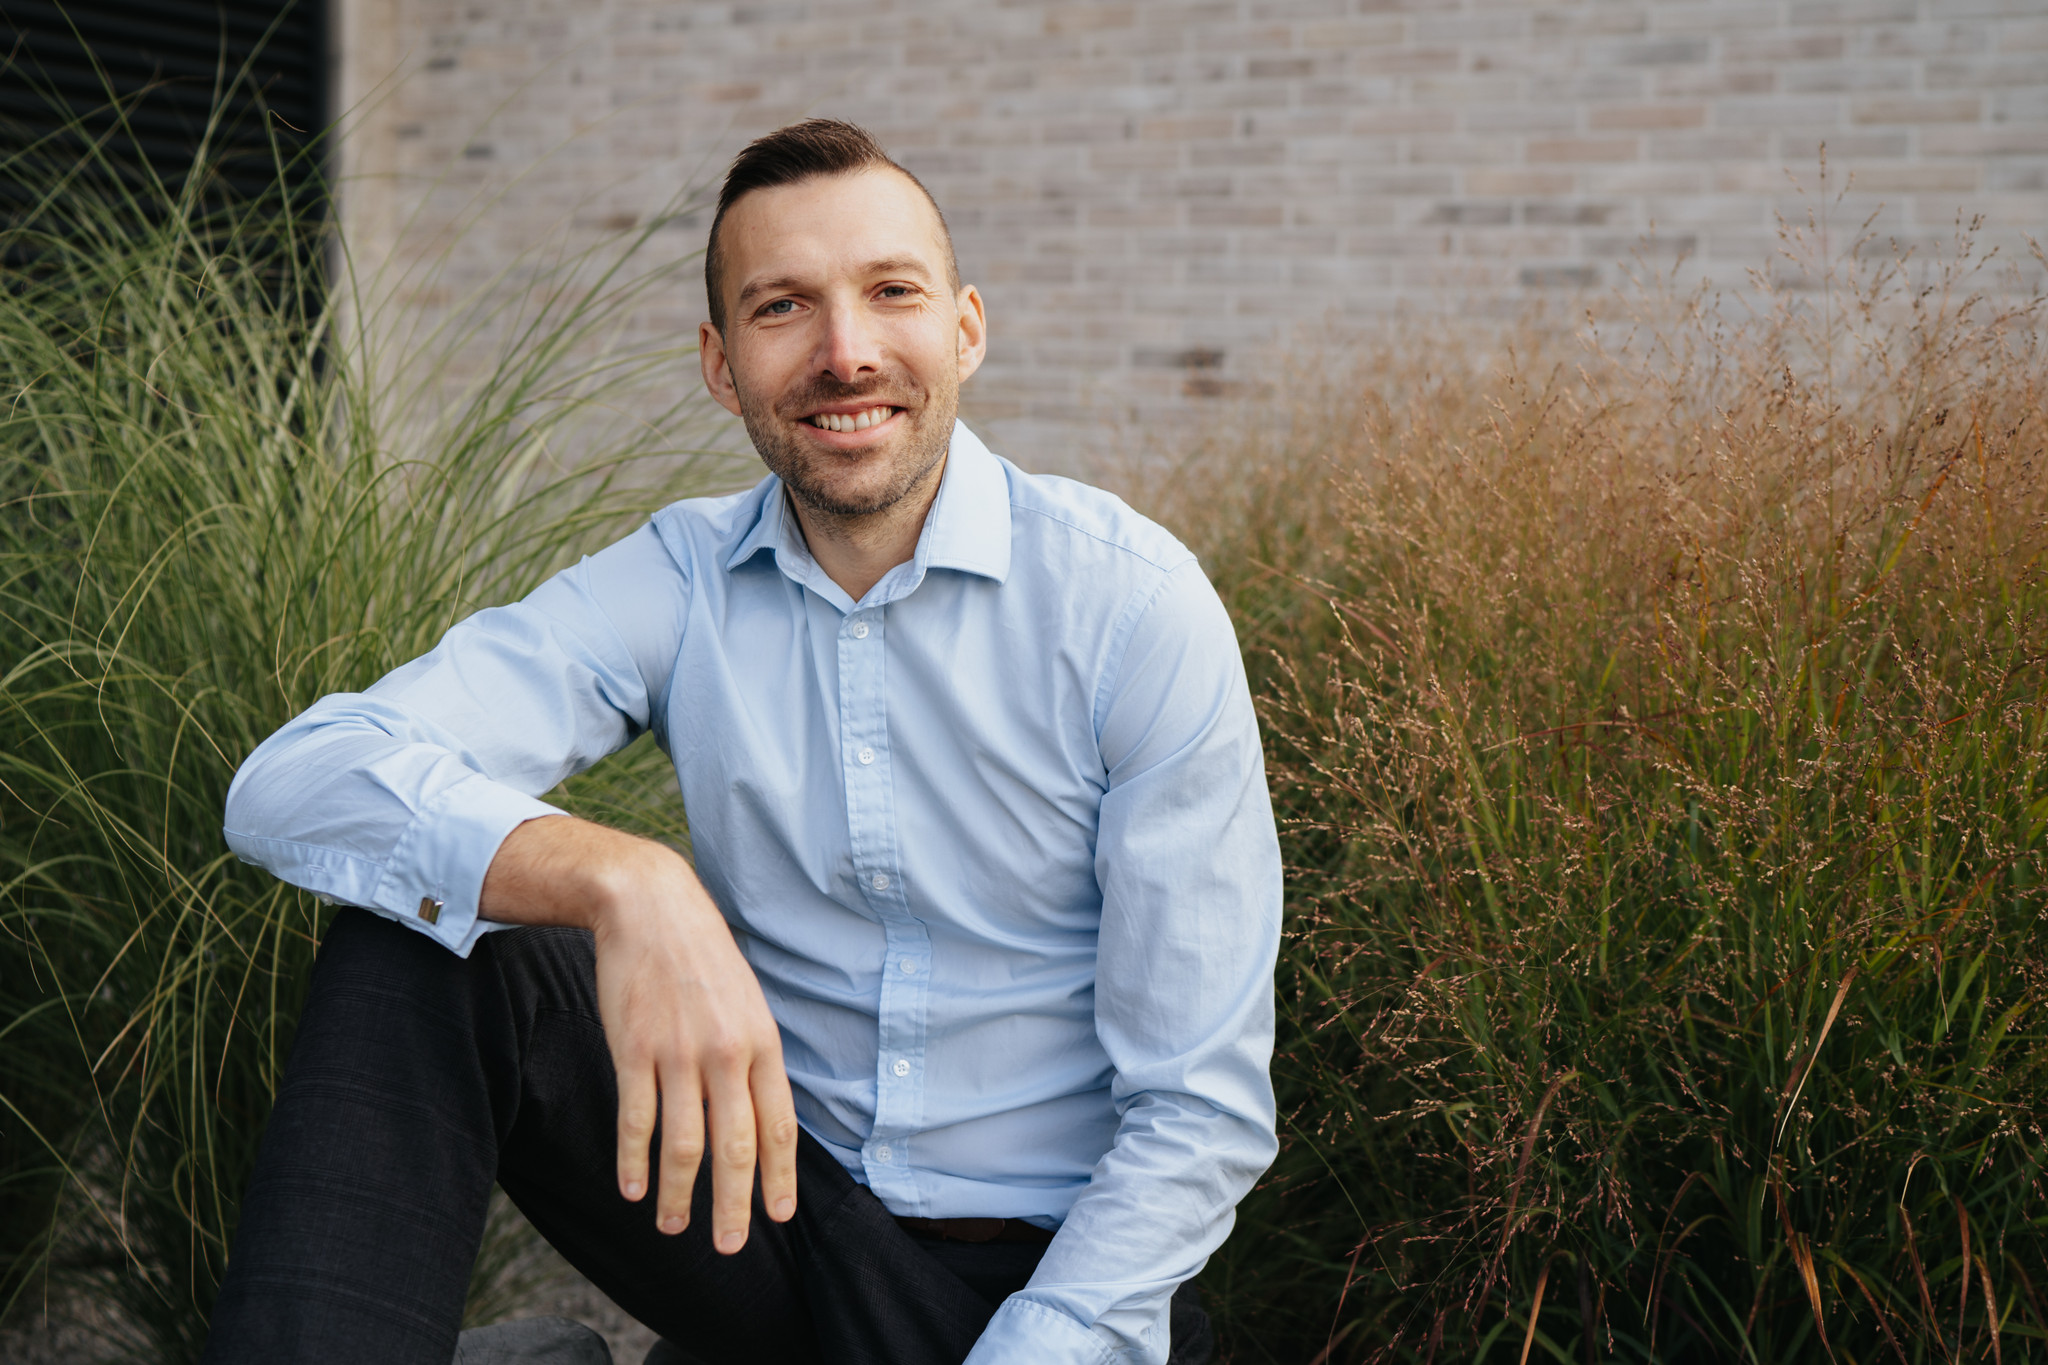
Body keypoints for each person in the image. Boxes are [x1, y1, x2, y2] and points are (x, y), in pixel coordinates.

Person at [204, 118, 1281, 1365]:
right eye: (783, 307)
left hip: (1043, 1286)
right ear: (721, 365)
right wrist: (624, 880)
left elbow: (1196, 1111)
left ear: (965, 330)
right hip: (767, 1218)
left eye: (891, 293)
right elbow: (296, 778)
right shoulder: (681, 577)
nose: (844, 352)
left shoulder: (1130, 609)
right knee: (426, 942)